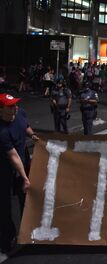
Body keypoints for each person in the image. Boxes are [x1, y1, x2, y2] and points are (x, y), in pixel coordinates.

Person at [0, 93, 38, 255]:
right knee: (4, 206)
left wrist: (33, 135)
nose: (14, 108)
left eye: (15, 104)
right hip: (5, 169)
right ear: (0, 110)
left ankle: (28, 232)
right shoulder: (2, 132)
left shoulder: (20, 113)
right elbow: (13, 156)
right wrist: (25, 178)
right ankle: (7, 238)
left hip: (23, 160)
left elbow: (25, 126)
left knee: (27, 199)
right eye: (10, 106)